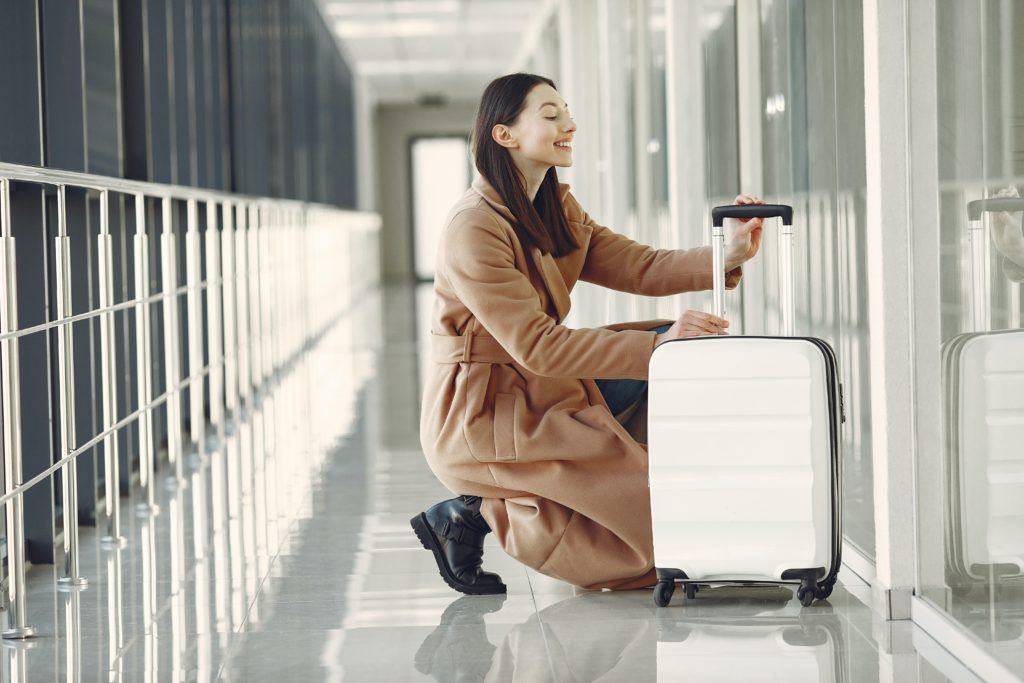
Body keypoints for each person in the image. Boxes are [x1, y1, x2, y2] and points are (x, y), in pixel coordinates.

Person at [412, 73, 764, 595]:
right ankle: (477, 512)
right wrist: (657, 348)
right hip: (484, 412)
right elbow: (537, 345)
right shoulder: (473, 226)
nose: (569, 125)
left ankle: (476, 512)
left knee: (675, 363)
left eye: (567, 112)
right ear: (503, 135)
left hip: (539, 388)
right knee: (647, 536)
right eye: (550, 115)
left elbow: (639, 266)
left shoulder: (554, 207)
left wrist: (726, 256)